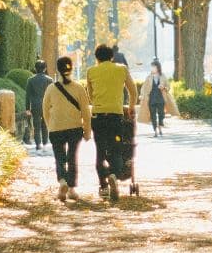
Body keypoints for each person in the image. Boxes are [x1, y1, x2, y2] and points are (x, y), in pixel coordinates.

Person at [86, 44, 138, 201]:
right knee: (116, 148)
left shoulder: (91, 71)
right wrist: (130, 107)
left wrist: (99, 104)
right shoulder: (121, 69)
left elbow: (90, 95)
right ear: (111, 57)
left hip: (99, 117)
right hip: (115, 116)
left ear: (97, 58)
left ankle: (103, 186)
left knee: (100, 151)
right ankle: (114, 175)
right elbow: (133, 90)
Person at [42, 56, 91, 202]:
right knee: (72, 157)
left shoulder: (51, 88)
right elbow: (86, 112)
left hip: (56, 128)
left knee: (59, 157)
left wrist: (50, 125)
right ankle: (71, 189)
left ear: (58, 69)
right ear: (70, 68)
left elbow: (45, 109)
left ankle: (62, 181)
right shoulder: (79, 88)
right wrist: (87, 131)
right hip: (74, 127)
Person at [138, 59, 179, 137]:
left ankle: (160, 126)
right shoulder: (149, 77)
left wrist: (163, 87)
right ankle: (155, 131)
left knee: (161, 114)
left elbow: (168, 86)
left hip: (161, 98)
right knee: (153, 115)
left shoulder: (163, 76)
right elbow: (144, 88)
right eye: (152, 67)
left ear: (158, 67)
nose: (152, 68)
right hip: (151, 99)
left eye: (154, 66)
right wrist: (142, 95)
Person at [25, 59, 52, 153]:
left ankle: (38, 146)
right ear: (45, 69)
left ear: (35, 68)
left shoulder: (31, 80)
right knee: (45, 126)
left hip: (35, 106)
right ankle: (45, 145)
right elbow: (52, 95)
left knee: (36, 126)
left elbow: (27, 95)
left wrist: (27, 108)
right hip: (46, 105)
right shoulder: (49, 80)